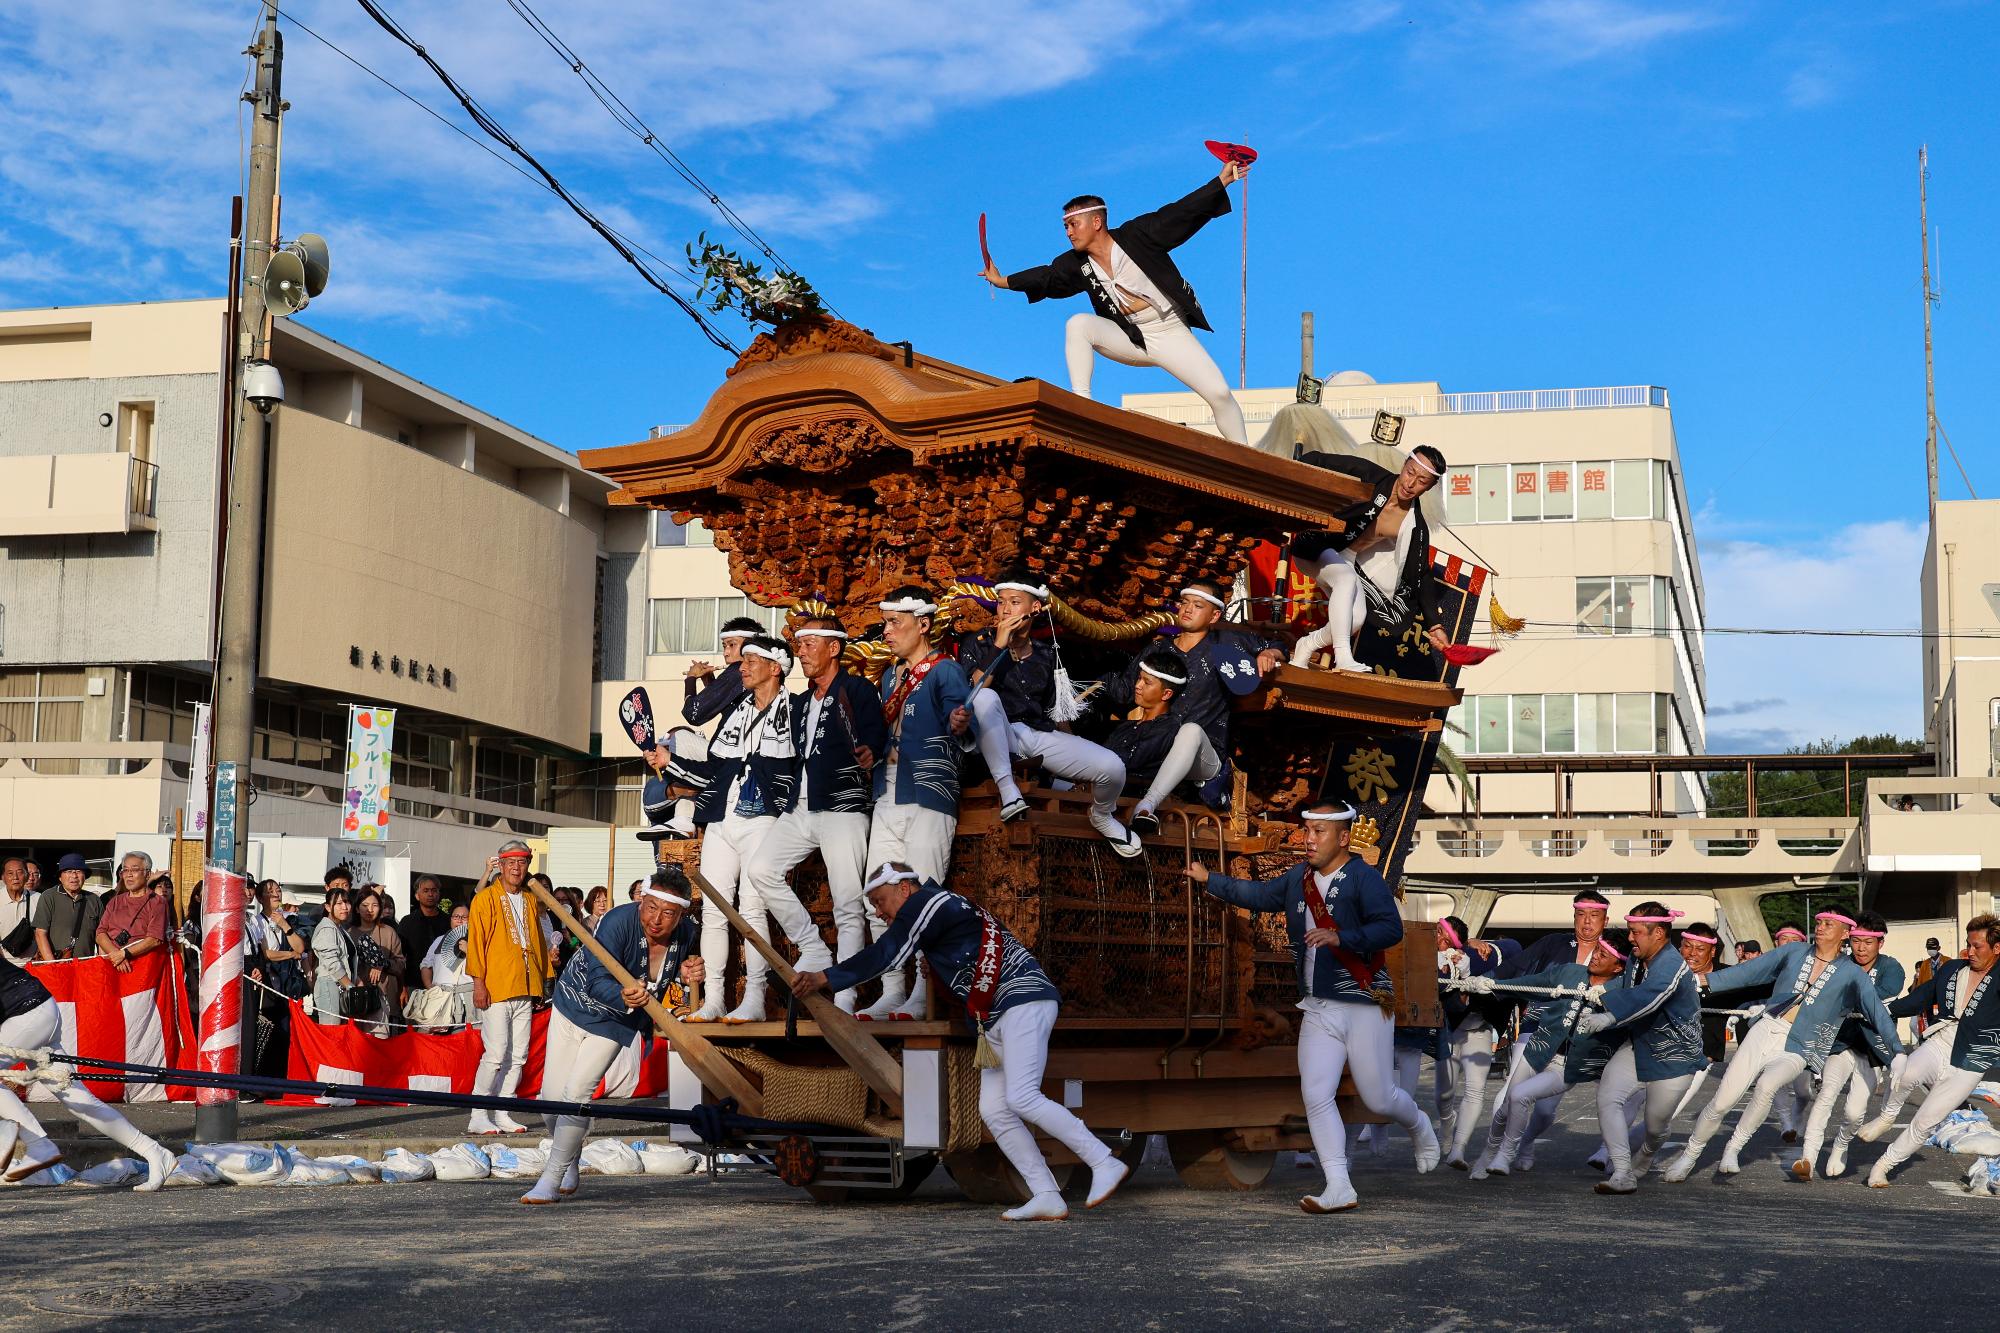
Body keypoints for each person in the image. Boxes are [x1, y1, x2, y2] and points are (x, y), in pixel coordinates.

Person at [793, 862, 1128, 1221]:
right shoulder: (945, 909)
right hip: (998, 1014)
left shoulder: (927, 904)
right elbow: (961, 983)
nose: (878, 912)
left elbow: (887, 953)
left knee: (1022, 1096)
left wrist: (825, 979)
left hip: (1022, 999)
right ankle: (1046, 1193)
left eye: (880, 900)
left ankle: (1102, 1159)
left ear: (905, 889)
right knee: (995, 1110)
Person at [1186, 802, 1439, 1212]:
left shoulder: (1363, 878)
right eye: (1307, 831)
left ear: (1343, 837)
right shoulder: (1297, 879)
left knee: (1377, 1098)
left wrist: (1342, 938)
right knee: (1316, 1094)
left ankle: (1417, 1122)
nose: (1308, 839)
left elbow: (1390, 928)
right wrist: (1208, 879)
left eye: (1319, 832)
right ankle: (1338, 1184)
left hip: (1364, 1001)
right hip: (1318, 1007)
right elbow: (1257, 894)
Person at [981, 159, 1252, 443]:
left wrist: (1221, 182)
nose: (1068, 232)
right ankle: (1082, 407)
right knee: (1079, 324)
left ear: (1096, 222)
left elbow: (1180, 213)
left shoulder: (1138, 235)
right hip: (1131, 338)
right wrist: (1003, 281)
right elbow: (1047, 277)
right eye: (1065, 227)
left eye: (1073, 224)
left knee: (1220, 394)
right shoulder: (1077, 264)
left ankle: (1248, 461)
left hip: (1169, 331)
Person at [1664, 911, 1901, 1182]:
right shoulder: (1794, 951)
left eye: (1828, 925)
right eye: (1820, 923)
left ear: (1845, 933)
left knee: (1767, 1086)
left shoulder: (1852, 974)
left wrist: (1898, 1053)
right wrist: (1699, 981)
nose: (1820, 928)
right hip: (1766, 1029)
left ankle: (1734, 1148)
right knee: (1722, 1102)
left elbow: (1877, 1012)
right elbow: (1748, 971)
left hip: (1800, 1045)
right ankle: (1689, 1156)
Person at [520, 867, 707, 1205]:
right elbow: (596, 978)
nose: (656, 919)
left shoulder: (688, 935)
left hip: (615, 1022)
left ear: (681, 915)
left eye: (668, 913)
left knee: (578, 1092)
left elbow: (679, 977)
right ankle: (570, 1158)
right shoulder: (617, 921)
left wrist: (688, 974)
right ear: (641, 902)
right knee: (549, 1102)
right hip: (572, 1003)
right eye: (650, 907)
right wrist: (622, 994)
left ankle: (552, 1176)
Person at [741, 616, 886, 1014]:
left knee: (848, 903)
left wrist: (870, 750)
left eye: (809, 643)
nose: (800, 650)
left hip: (843, 807)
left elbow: (875, 732)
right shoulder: (802, 701)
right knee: (761, 870)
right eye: (799, 644)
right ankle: (813, 947)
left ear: (834, 648)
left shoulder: (857, 688)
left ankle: (846, 994)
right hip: (800, 807)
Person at [687, 634, 829, 1024]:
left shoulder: (796, 707)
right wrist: (675, 763)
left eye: (751, 661)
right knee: (714, 908)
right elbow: (717, 762)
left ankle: (754, 995)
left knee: (752, 907)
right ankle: (714, 996)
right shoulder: (738, 710)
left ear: (775, 667)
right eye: (743, 660)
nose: (743, 668)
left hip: (765, 814)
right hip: (723, 815)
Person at [955, 575, 1137, 855]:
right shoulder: (978, 643)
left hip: (1035, 733)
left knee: (1112, 767)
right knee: (986, 697)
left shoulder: (1044, 653)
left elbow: (1056, 713)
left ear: (1035, 609)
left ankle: (1102, 814)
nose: (1005, 610)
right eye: (1001, 602)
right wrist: (999, 646)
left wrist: (1072, 753)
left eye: (1015, 603)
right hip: (993, 734)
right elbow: (971, 693)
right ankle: (1008, 791)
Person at [863, 587, 973, 1020]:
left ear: (923, 624)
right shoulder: (890, 677)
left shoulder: (946, 671)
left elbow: (962, 721)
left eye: (895, 623)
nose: (886, 631)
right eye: (885, 622)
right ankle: (893, 987)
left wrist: (958, 722)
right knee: (876, 892)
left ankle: (923, 993)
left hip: (928, 793)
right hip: (887, 793)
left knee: (924, 896)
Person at [1090, 581, 1282, 811]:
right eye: (1184, 603)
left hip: (1203, 751)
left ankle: (1147, 806)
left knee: (1189, 732)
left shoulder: (1229, 643)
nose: (1188, 609)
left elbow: (1278, 643)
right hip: (1157, 742)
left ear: (1214, 615)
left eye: (1198, 605)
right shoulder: (1158, 650)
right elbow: (1124, 691)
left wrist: (1269, 653)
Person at [0, 951, 179, 1189]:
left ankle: (38, 1145)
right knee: (80, 1101)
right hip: (39, 1010)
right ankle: (156, 1153)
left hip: (28, 1013)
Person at [1467, 934, 1628, 1179]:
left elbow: (1641, 1003)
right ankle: (1489, 1153)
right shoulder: (1570, 973)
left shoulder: (1625, 990)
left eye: (1603, 955)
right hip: (1539, 1049)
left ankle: (1507, 1153)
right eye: (1596, 950)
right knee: (1506, 1106)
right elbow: (1531, 983)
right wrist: (1488, 982)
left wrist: (1610, 996)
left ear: (1618, 967)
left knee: (1521, 1096)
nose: (1594, 956)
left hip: (1567, 1065)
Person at [1570, 905, 1707, 1193]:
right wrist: (1605, 989)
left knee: (1655, 1126)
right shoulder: (1637, 958)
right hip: (1638, 1044)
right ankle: (1622, 1172)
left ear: (1658, 933)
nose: (1630, 938)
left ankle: (1645, 1155)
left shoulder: (1671, 964)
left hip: (1674, 1055)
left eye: (1635, 932)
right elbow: (1630, 984)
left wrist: (1609, 1016)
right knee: (1608, 1097)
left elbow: (1650, 996)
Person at [1286, 446, 1452, 675]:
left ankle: (1306, 645)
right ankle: (1343, 656)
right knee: (1345, 579)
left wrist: (1435, 625)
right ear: (1404, 466)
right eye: (1410, 472)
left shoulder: (1415, 526)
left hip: (1345, 557)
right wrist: (1292, 472)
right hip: (1316, 544)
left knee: (1355, 619)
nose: (1411, 483)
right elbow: (1320, 460)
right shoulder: (1370, 476)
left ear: (1430, 487)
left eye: (1422, 481)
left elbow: (1421, 574)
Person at [1864, 913, 2000, 1187]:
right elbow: (1921, 997)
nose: (1969, 952)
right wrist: (1882, 1010)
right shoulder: (1952, 969)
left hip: (1971, 1061)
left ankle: (1882, 1166)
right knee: (1905, 1072)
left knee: (1926, 1121)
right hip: (1941, 1041)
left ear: (1997, 948)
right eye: (1968, 944)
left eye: (1977, 947)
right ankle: (1887, 1116)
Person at [1796, 909, 1902, 1180]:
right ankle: (1807, 1157)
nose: (1861, 948)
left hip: (1872, 1048)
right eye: (1856, 941)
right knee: (1826, 1094)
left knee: (1855, 1112)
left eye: (1868, 942)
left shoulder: (1891, 968)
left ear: (1881, 942)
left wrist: (1846, 998)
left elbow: (1881, 995)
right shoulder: (1838, 964)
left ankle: (1841, 1146)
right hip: (1839, 1042)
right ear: (1848, 939)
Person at [466, 841, 557, 1134]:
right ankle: (478, 1114)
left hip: (525, 986)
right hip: (495, 987)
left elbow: (538, 943)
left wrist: (543, 981)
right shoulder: (485, 899)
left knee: (518, 1055)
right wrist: (478, 983)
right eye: (511, 862)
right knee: (495, 1054)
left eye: (522, 862)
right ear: (501, 866)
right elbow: (476, 944)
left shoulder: (531, 900)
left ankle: (504, 1111)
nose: (517, 868)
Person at [1096, 644, 1221, 833]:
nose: (1137, 686)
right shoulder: (1126, 727)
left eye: (1147, 682)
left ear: (1166, 694)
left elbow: (1129, 760)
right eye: (1139, 679)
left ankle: (1147, 807)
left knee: (1192, 730)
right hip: (1105, 789)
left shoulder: (1169, 729)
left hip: (1135, 788)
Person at [1434, 917, 1518, 1169]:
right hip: (1448, 1030)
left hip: (1479, 1029)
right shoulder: (1425, 957)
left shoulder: (1474, 955)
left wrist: (1484, 945)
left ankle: (1458, 1150)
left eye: (1446, 938)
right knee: (1443, 1094)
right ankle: (1447, 1120)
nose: (1439, 941)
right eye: (1437, 934)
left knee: (1475, 1089)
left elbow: (1514, 946)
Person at [1667, 921, 1730, 1122]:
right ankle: (1610, 1150)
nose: (1692, 953)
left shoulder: (1728, 976)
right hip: (1663, 1048)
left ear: (1712, 952)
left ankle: (1628, 1150)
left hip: (1702, 1055)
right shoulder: (1668, 973)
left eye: (1700, 949)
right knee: (1631, 1100)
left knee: (1669, 1110)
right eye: (1687, 946)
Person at [252, 880, 308, 1079]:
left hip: (287, 985)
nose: (276, 894)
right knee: (268, 1031)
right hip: (267, 986)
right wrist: (290, 955)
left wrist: (284, 925)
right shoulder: (256, 922)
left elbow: (300, 948)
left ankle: (282, 1079)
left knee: (286, 1032)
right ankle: (265, 1078)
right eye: (270, 891)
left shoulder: (289, 919)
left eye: (278, 890)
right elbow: (265, 953)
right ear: (260, 898)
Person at [683, 615, 764, 727]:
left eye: (732, 645)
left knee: (679, 736)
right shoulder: (760, 668)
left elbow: (693, 713)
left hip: (739, 743)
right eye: (724, 646)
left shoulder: (738, 670)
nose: (725, 653)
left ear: (750, 645)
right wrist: (709, 679)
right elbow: (724, 703)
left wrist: (690, 678)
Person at [349, 886, 406, 1035]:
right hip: (356, 998)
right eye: (365, 905)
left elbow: (400, 964)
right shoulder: (349, 933)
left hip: (383, 996)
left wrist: (382, 964)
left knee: (381, 1042)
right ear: (356, 908)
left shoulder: (389, 932)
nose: (370, 910)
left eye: (375, 905)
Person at [32, 852, 103, 961]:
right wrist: (52, 965)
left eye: (78, 871)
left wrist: (101, 962)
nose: (74, 876)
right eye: (69, 871)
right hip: (57, 966)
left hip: (85, 967)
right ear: (60, 877)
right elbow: (40, 933)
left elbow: (101, 935)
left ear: (85, 876)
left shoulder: (94, 899)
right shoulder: (49, 896)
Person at [309, 887, 361, 1027]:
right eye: (338, 903)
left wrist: (356, 980)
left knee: (340, 1032)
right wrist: (349, 985)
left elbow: (347, 960)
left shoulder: (339, 928)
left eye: (346, 902)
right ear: (327, 906)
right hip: (329, 985)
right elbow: (332, 962)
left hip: (340, 985)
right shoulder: (327, 928)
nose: (344, 907)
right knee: (332, 1032)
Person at [397, 875, 453, 997]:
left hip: (444, 985)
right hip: (414, 985)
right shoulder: (407, 922)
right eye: (426, 891)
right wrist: (403, 986)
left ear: (439, 893)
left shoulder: (448, 921)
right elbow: (400, 957)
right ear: (417, 895)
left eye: (434, 890)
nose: (430, 894)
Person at [1, 856, 39, 963]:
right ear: (3, 877)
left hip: (33, 964)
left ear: (27, 876)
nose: (15, 877)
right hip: (4, 966)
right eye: (10, 873)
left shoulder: (39, 899)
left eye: (20, 872)